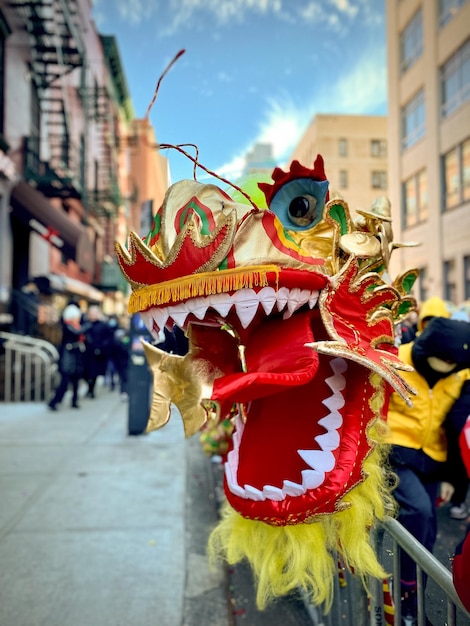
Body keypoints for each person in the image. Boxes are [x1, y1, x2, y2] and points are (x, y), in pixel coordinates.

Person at [385, 306, 470, 624]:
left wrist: (452, 478)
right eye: (447, 361)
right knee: (418, 512)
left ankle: (411, 598)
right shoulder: (395, 359)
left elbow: (455, 424)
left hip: (433, 458)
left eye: (456, 364)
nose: (450, 368)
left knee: (428, 530)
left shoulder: (459, 372)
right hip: (396, 451)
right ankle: (406, 602)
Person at [48, 304, 88, 410]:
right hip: (68, 357)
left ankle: (74, 400)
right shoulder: (67, 326)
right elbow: (76, 333)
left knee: (76, 381)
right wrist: (87, 326)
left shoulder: (76, 325)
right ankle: (54, 402)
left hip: (76, 356)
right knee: (64, 381)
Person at [83, 305, 112, 398]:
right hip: (86, 353)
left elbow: (109, 339)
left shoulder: (103, 325)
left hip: (97, 354)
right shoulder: (85, 324)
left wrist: (101, 348)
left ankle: (91, 390)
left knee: (94, 373)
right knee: (85, 373)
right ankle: (89, 389)